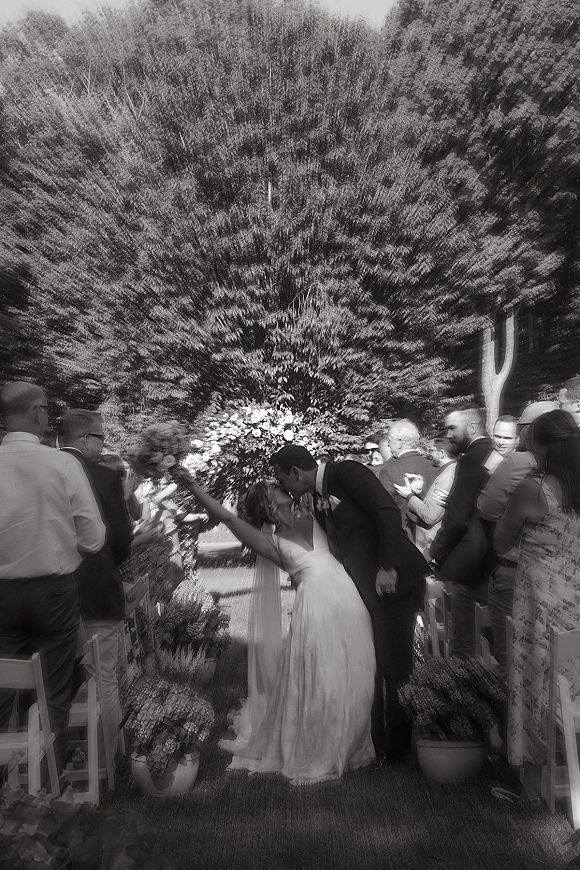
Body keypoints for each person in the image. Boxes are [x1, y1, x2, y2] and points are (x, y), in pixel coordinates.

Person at [172, 466, 375, 785]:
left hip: (348, 597)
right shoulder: (267, 540)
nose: (281, 486)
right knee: (327, 673)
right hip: (317, 605)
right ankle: (330, 742)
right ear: (267, 502)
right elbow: (226, 518)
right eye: (275, 487)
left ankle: (357, 734)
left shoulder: (310, 512)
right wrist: (194, 487)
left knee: (361, 668)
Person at [270, 445, 428, 765]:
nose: (282, 485)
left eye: (281, 478)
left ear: (297, 473)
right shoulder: (315, 497)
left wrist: (387, 565)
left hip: (394, 582)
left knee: (394, 666)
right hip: (369, 590)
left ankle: (397, 752)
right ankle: (375, 741)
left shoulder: (348, 473)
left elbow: (386, 510)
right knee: (376, 664)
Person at [0, 383, 106, 776]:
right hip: (53, 593)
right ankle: (50, 794)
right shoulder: (61, 464)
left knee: (1, 693)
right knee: (55, 694)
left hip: (1, 596)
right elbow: (94, 537)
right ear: (38, 413)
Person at [493, 410, 580, 803]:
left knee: (532, 684)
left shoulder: (536, 488)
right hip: (577, 600)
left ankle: (531, 789)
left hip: (541, 603)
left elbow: (500, 540)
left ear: (541, 446)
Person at [58, 410, 133, 763]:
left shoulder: (44, 471)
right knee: (105, 679)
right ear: (86, 439)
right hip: (95, 587)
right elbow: (120, 538)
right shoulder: (103, 477)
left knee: (52, 681)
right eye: (101, 437)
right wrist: (106, 565)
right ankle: (108, 762)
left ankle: (61, 758)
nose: (104, 445)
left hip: (50, 594)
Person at [478, 401, 558, 682]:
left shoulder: (517, 464)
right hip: (564, 583)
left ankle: (508, 724)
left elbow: (486, 510)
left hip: (516, 572)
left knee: (510, 663)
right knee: (551, 667)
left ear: (527, 431)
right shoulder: (571, 474)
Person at [429, 403, 493, 658]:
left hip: (469, 563)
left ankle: (462, 691)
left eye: (453, 428)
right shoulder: (495, 454)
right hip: (492, 559)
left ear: (473, 427)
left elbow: (457, 518)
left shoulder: (469, 461)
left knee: (463, 641)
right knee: (492, 636)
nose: (448, 435)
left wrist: (435, 549)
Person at [394, 435, 457, 563]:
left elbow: (430, 516)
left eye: (431, 450)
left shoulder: (447, 477)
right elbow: (438, 509)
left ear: (441, 453)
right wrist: (420, 492)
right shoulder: (448, 471)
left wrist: (409, 495)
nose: (428, 454)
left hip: (432, 548)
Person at [378, 420, 436, 541]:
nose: (388, 445)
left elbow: (385, 511)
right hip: (436, 537)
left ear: (399, 443)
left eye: (389, 441)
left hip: (407, 538)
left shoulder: (388, 471)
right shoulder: (434, 466)